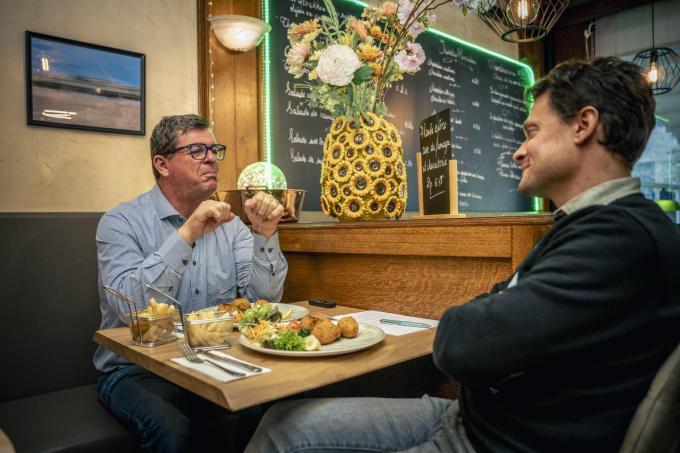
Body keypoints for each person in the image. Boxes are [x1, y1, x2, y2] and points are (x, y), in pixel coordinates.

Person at [244, 57, 680, 452]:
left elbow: (463, 345)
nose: (519, 151)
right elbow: (494, 318)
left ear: (584, 125)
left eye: (533, 132)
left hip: (497, 442)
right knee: (284, 424)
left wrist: (476, 320)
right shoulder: (586, 225)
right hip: (471, 418)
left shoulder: (620, 241)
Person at [93, 114, 288, 452]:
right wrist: (187, 233)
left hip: (214, 360)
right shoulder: (120, 222)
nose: (212, 158)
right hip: (136, 370)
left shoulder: (233, 226)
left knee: (272, 406)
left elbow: (263, 303)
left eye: (214, 149)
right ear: (162, 163)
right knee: (172, 429)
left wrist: (265, 234)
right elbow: (132, 310)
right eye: (197, 150)